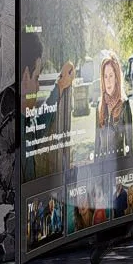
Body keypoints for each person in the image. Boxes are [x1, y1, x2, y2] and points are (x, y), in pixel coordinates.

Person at [19, 30, 76, 180]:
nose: (38, 87)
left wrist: (60, 86)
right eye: (36, 78)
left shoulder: (24, 121)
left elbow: (37, 127)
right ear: (26, 77)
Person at [92, 50, 133, 159]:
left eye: (111, 76)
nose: (108, 81)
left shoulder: (124, 105)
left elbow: (129, 143)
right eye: (105, 76)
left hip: (119, 168)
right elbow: (97, 143)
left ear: (116, 78)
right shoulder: (100, 105)